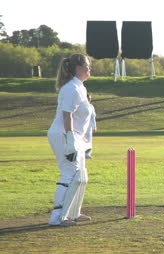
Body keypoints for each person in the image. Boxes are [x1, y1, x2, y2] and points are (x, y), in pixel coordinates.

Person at [47, 53, 93, 226]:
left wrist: (81, 140)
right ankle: (57, 217)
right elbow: (67, 116)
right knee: (69, 173)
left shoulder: (79, 86)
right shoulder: (72, 88)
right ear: (77, 68)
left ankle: (74, 212)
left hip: (74, 137)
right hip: (63, 135)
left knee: (80, 174)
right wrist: (71, 140)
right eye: (87, 66)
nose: (90, 69)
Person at [85, 93, 96, 159]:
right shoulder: (80, 106)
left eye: (89, 99)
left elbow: (93, 117)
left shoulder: (91, 106)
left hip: (88, 126)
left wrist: (94, 126)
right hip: (81, 126)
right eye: (87, 98)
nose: (88, 100)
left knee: (88, 139)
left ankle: (87, 153)